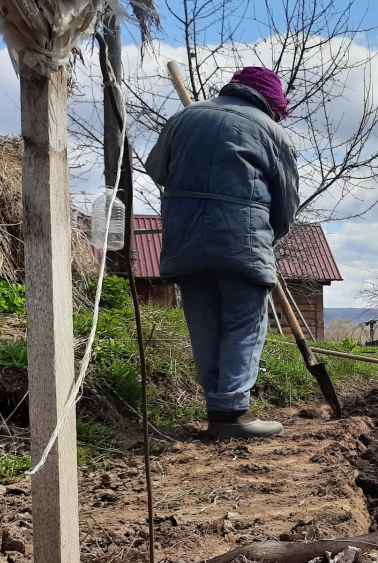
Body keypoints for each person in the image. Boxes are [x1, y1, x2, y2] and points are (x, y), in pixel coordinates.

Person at [144, 66, 299, 439]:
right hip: (241, 239)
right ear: (271, 101)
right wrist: (265, 236)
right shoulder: (272, 133)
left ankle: (218, 409)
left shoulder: (185, 117)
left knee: (204, 323)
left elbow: (156, 169)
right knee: (244, 323)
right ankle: (231, 414)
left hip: (184, 239)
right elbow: (286, 206)